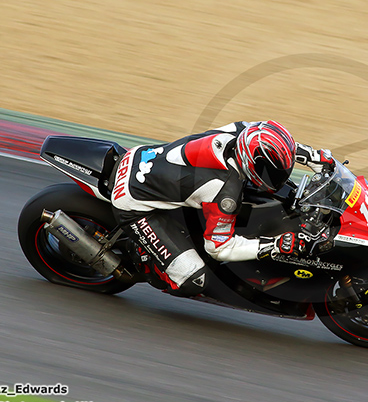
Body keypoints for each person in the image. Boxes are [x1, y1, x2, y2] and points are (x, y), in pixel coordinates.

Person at [109, 120, 333, 297]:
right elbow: (219, 247)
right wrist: (275, 245)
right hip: (133, 203)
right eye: (269, 172)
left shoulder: (241, 132)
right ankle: (146, 259)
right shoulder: (223, 190)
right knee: (194, 280)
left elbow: (272, 143)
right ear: (251, 163)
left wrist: (314, 157)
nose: (279, 178)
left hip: (143, 160)